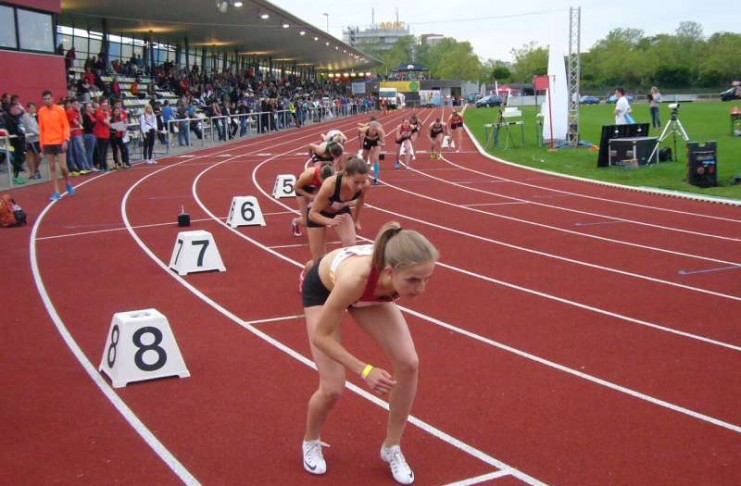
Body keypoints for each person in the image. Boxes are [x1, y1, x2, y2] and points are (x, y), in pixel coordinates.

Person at [301, 221, 439, 484]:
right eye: (413, 280)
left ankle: (392, 447)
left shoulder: (395, 273)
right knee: (333, 387)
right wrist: (365, 370)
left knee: (409, 363)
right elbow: (321, 336)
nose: (421, 289)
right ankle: (311, 440)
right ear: (390, 271)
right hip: (326, 289)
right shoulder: (358, 277)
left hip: (371, 295)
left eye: (427, 279)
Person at [304, 156, 369, 272]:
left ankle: (345, 278)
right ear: (346, 175)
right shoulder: (330, 185)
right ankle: (306, 273)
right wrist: (329, 221)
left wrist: (356, 220)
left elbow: (361, 200)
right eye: (356, 182)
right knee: (318, 263)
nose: (359, 186)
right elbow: (312, 214)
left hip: (340, 211)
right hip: (318, 214)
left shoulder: (365, 185)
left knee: (351, 246)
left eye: (363, 182)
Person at [37, 90, 74, 201]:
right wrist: (41, 144)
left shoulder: (60, 109)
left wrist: (66, 140)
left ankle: (67, 181)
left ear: (52, 98)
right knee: (52, 167)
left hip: (60, 141)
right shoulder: (41, 111)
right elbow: (41, 129)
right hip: (48, 142)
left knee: (63, 167)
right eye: (45, 99)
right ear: (43, 100)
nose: (47, 100)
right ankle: (56, 191)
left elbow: (66, 126)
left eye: (49, 98)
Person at [291, 163, 335, 237]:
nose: (325, 183)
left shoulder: (333, 176)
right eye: (323, 181)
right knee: (306, 222)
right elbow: (295, 187)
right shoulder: (309, 175)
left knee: (320, 210)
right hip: (302, 188)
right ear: (319, 176)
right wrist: (310, 196)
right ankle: (295, 221)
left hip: (316, 187)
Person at [22, 102, 42, 179]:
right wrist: (39, 133)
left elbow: (37, 126)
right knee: (36, 155)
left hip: (36, 139)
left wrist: (40, 132)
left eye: (34, 108)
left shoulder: (34, 117)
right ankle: (33, 171)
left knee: (34, 156)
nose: (34, 109)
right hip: (31, 139)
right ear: (28, 108)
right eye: (32, 107)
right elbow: (30, 128)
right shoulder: (26, 116)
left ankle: (34, 171)